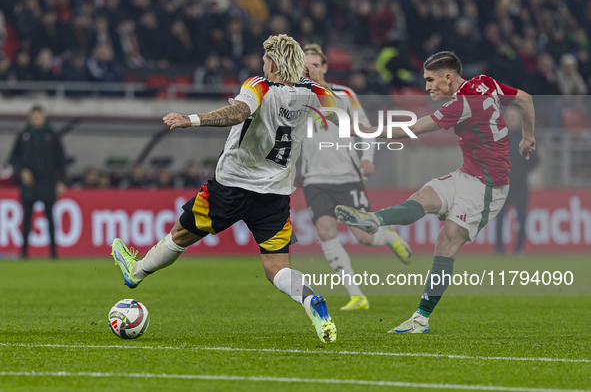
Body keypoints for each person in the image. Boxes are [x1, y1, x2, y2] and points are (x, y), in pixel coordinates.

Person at [111, 34, 342, 343]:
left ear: (272, 63)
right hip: (275, 195)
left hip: (231, 187)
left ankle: (136, 272)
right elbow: (338, 113)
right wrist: (319, 83)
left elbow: (236, 113)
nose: (262, 64)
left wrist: (188, 119)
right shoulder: (313, 93)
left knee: (180, 235)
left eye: (264, 60)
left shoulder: (259, 85)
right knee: (277, 268)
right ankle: (309, 298)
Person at [335, 51, 535, 333]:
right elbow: (525, 98)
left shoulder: (461, 104)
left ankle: (420, 319)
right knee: (422, 198)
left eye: (430, 80)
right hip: (467, 174)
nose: (427, 87)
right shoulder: (484, 82)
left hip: (489, 185)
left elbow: (412, 128)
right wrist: (527, 137)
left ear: (448, 78)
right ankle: (373, 220)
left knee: (446, 242)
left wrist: (360, 130)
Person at [301, 43, 412, 311]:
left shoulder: (345, 94)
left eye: (314, 64)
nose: (309, 69)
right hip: (314, 178)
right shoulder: (296, 97)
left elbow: (363, 129)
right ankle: (357, 295)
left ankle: (389, 238)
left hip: (346, 175)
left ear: (325, 67)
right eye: (305, 65)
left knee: (364, 235)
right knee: (326, 232)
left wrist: (367, 158)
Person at [9, 105, 67, 259]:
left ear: (44, 118)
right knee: (27, 217)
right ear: (30, 118)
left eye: (39, 117)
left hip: (47, 182)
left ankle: (54, 253)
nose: (36, 120)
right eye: (33, 117)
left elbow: (61, 161)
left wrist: (60, 181)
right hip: (29, 183)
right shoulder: (23, 136)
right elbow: (14, 158)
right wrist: (22, 171)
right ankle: (24, 252)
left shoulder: (53, 136)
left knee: (50, 217)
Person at [495, 106, 539, 256]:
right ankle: (499, 249)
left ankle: (518, 249)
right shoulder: (499, 137)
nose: (511, 120)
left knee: (521, 218)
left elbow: (536, 160)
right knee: (499, 218)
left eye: (514, 118)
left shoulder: (526, 137)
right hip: (503, 185)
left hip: (520, 185)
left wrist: (521, 172)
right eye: (509, 117)